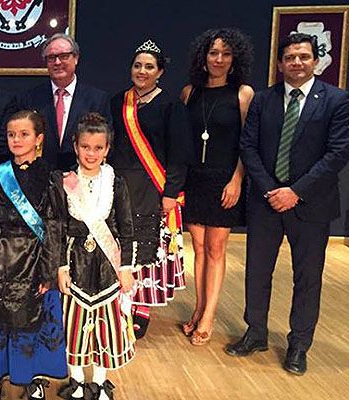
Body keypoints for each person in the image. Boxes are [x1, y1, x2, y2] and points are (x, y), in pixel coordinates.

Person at [227, 33, 349, 376]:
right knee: (257, 271)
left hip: (311, 203)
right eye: (290, 57)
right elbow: (248, 147)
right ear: (280, 63)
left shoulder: (337, 101)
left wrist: (295, 191)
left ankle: (299, 344)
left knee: (307, 277)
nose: (296, 62)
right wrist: (271, 190)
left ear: (315, 61)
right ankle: (256, 332)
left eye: (303, 57)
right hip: (266, 202)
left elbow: (338, 153)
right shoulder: (264, 100)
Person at [0, 111, 67, 399]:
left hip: (34, 263)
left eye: (24, 134)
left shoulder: (50, 178)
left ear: (39, 139)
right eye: (12, 134)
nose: (17, 140)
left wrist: (48, 271)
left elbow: (53, 226)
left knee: (30, 323)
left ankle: (31, 377)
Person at [108, 39, 193, 338]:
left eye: (149, 67)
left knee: (147, 245)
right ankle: (119, 300)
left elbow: (180, 153)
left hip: (154, 187)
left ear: (160, 72)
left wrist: (171, 192)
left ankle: (141, 306)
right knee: (122, 242)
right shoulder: (118, 101)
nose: (142, 71)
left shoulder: (171, 106)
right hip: (120, 184)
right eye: (137, 65)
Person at [179, 28, 255, 345]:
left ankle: (209, 315)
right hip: (196, 180)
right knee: (197, 249)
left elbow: (248, 144)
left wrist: (237, 180)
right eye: (213, 53)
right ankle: (198, 309)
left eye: (225, 53)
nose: (219, 59)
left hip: (226, 180)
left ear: (234, 58)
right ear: (204, 57)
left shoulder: (243, 94)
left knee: (215, 249)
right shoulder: (189, 93)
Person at [57, 112, 136, 400]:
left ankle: (100, 381)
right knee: (74, 327)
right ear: (76, 146)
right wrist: (61, 267)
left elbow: (126, 227)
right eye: (86, 147)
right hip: (75, 263)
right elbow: (56, 226)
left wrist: (125, 268)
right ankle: (76, 381)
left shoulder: (116, 181)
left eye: (98, 148)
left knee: (105, 328)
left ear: (107, 149)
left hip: (107, 267)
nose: (91, 153)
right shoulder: (63, 181)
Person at [22, 33, 110, 171]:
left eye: (64, 56)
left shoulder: (97, 99)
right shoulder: (31, 98)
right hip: (41, 177)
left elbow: (105, 141)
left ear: (76, 58)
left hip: (81, 178)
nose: (57, 62)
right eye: (51, 58)